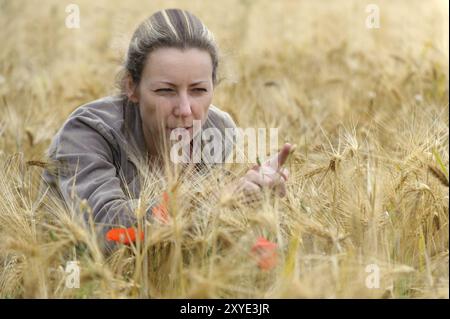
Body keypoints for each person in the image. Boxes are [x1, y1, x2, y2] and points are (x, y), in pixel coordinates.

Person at [40, 8, 292, 249]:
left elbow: (210, 241)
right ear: (132, 87)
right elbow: (107, 231)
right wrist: (215, 201)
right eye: (165, 90)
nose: (185, 109)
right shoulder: (88, 133)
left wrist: (259, 193)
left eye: (199, 90)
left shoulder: (221, 131)